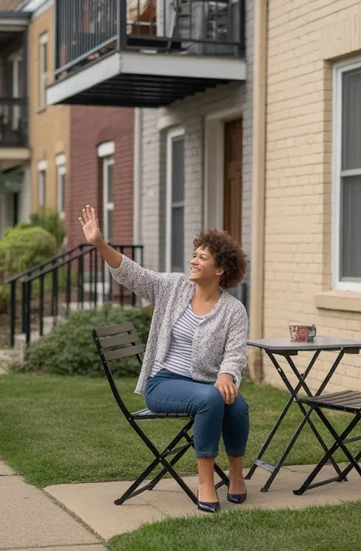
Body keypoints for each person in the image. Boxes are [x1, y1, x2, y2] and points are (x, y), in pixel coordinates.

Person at [79, 205, 250, 513]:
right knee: (212, 400)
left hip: (206, 384)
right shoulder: (172, 287)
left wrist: (227, 375)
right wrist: (100, 245)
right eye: (194, 254)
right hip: (165, 384)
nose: (193, 261)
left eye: (202, 257)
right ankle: (206, 483)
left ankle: (236, 475)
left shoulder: (233, 310)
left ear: (220, 269)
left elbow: (236, 354)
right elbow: (133, 274)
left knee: (237, 403)